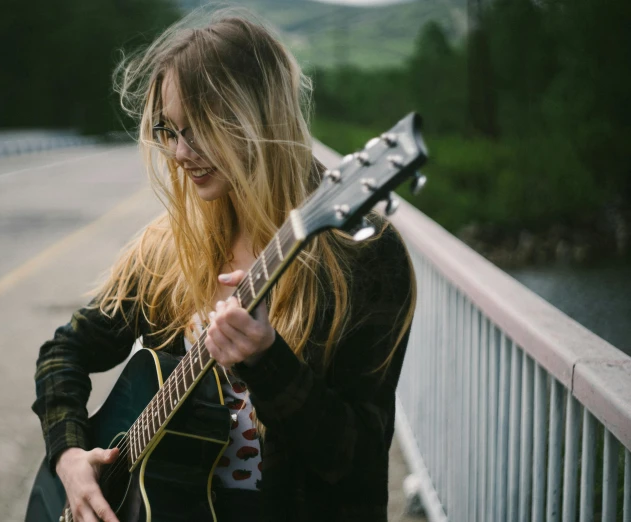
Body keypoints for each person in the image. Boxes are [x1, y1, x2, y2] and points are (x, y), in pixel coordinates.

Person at [32, 8, 415, 522]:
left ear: (255, 117)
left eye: (199, 129)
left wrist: (268, 361)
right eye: (169, 130)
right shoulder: (170, 248)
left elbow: (357, 461)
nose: (179, 153)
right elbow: (64, 353)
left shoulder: (363, 258)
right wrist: (69, 455)